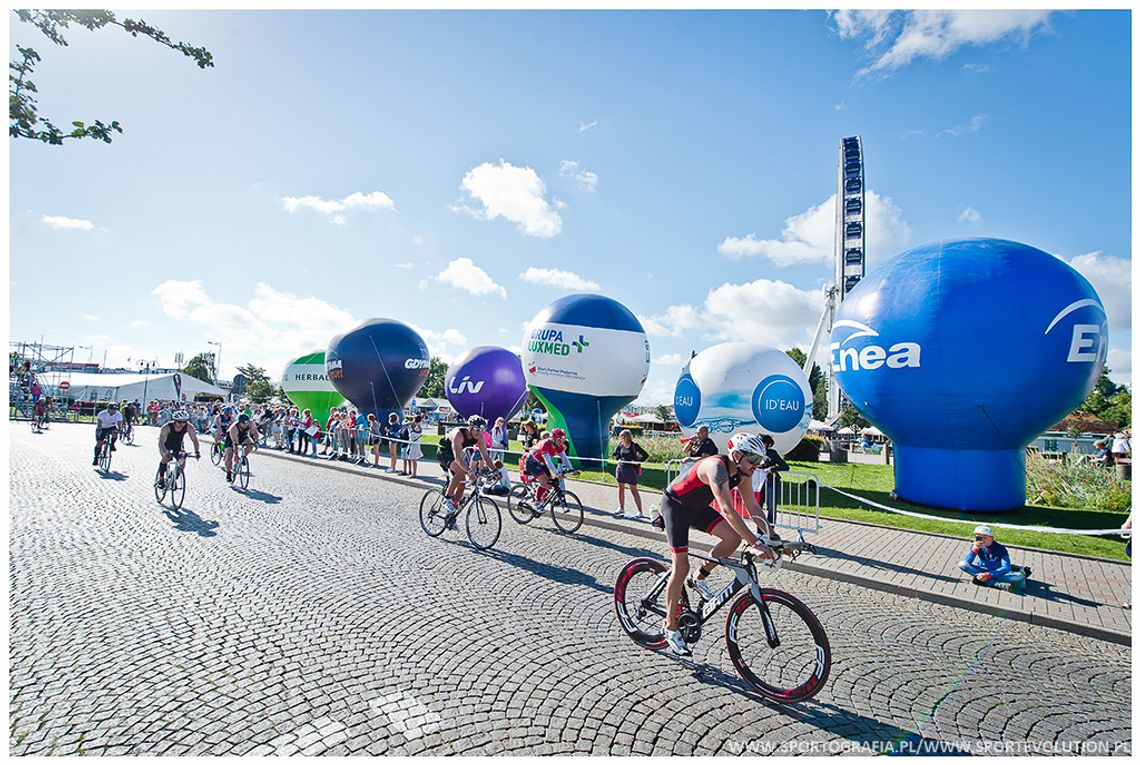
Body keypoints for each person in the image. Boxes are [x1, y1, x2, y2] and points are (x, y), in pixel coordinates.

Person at [659, 432, 775, 656]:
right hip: (676, 506)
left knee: (733, 539)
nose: (757, 466)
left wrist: (774, 537)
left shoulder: (743, 473)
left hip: (697, 507)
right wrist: (755, 542)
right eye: (754, 460)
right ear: (738, 456)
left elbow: (754, 508)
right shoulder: (717, 468)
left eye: (760, 461)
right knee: (680, 566)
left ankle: (699, 577)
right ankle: (670, 627)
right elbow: (727, 509)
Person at [438, 415, 493, 513]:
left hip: (458, 454)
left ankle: (451, 515)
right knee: (461, 472)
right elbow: (458, 458)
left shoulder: (480, 437)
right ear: (470, 428)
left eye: (482, 430)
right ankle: (447, 499)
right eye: (477, 430)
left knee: (462, 485)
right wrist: (469, 471)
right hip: (445, 452)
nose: (480, 433)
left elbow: (485, 456)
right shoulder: (458, 434)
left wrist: (495, 470)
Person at [957, 525, 1030, 593]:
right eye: (979, 537)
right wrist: (974, 549)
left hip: (997, 571)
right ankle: (995, 583)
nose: (982, 540)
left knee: (1020, 576)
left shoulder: (1000, 548)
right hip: (983, 569)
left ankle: (987, 580)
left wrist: (989, 575)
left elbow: (1006, 567)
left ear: (992, 538)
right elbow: (967, 562)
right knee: (962, 564)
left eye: (985, 537)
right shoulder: (976, 545)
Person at [522, 428, 580, 508]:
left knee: (550, 484)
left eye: (562, 440)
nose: (561, 442)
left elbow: (564, 457)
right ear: (553, 439)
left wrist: (571, 469)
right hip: (532, 462)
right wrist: (557, 473)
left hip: (541, 463)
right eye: (559, 440)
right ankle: (537, 502)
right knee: (544, 481)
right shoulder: (546, 444)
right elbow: (548, 461)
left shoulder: (558, 445)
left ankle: (541, 497)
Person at [154, 410, 201, 486]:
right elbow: (161, 442)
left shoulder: (189, 427)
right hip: (166, 445)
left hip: (178, 445)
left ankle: (175, 477)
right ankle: (161, 478)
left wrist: (197, 451)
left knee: (182, 461)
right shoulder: (166, 427)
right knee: (166, 458)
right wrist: (165, 451)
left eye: (184, 422)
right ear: (175, 421)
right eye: (179, 422)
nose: (182, 424)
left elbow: (195, 440)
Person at [613, 429, 650, 519]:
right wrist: (617, 457)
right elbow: (616, 455)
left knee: (634, 490)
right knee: (621, 488)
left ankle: (640, 511)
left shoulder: (634, 445)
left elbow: (645, 455)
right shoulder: (620, 445)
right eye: (620, 436)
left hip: (630, 470)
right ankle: (621, 508)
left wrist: (637, 462)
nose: (620, 438)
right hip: (620, 468)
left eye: (622, 436)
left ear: (627, 437)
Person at [755, 434, 790, 528]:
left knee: (771, 506)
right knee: (758, 505)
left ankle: (770, 529)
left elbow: (786, 467)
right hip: (758, 483)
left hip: (771, 482)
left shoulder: (772, 453)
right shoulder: (754, 452)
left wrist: (772, 468)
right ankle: (760, 530)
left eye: (761, 442)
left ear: (767, 444)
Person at [224, 413, 260, 484]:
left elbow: (255, 433)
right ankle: (228, 472)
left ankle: (243, 457)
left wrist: (256, 440)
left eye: (246, 423)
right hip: (231, 438)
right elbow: (235, 443)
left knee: (250, 444)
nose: (245, 425)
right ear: (239, 422)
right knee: (229, 456)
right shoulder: (234, 428)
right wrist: (236, 455)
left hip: (243, 436)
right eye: (243, 423)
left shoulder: (251, 423)